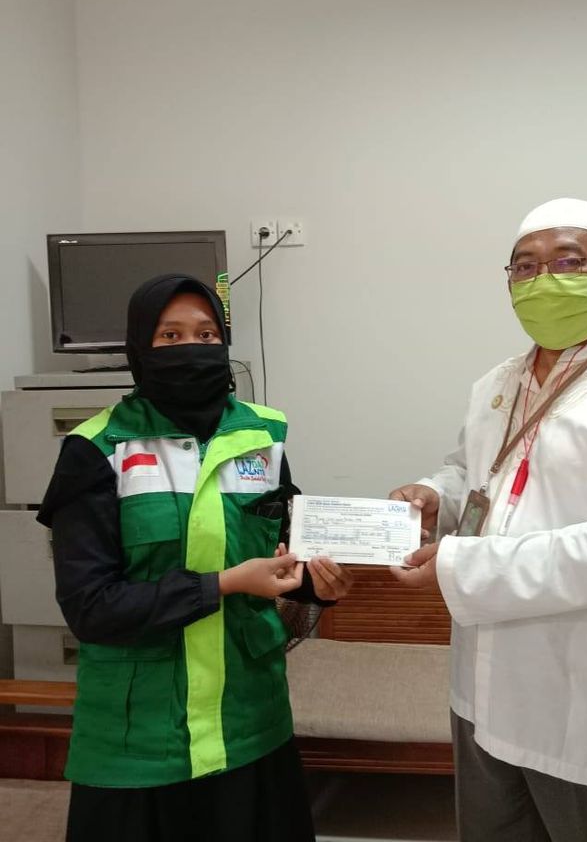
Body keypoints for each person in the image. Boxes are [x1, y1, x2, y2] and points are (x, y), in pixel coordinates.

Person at [389, 199, 587, 842]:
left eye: (567, 263)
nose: (542, 280)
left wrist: (460, 563)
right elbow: (474, 473)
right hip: (484, 684)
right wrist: (435, 496)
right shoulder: (498, 384)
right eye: (525, 267)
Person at [38, 273, 353, 842]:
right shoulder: (96, 449)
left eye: (207, 335)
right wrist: (226, 584)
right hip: (138, 739)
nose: (192, 348)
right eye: (170, 336)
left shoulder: (264, 434)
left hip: (250, 722)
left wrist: (316, 584)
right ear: (139, 348)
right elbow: (92, 609)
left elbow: (285, 551)